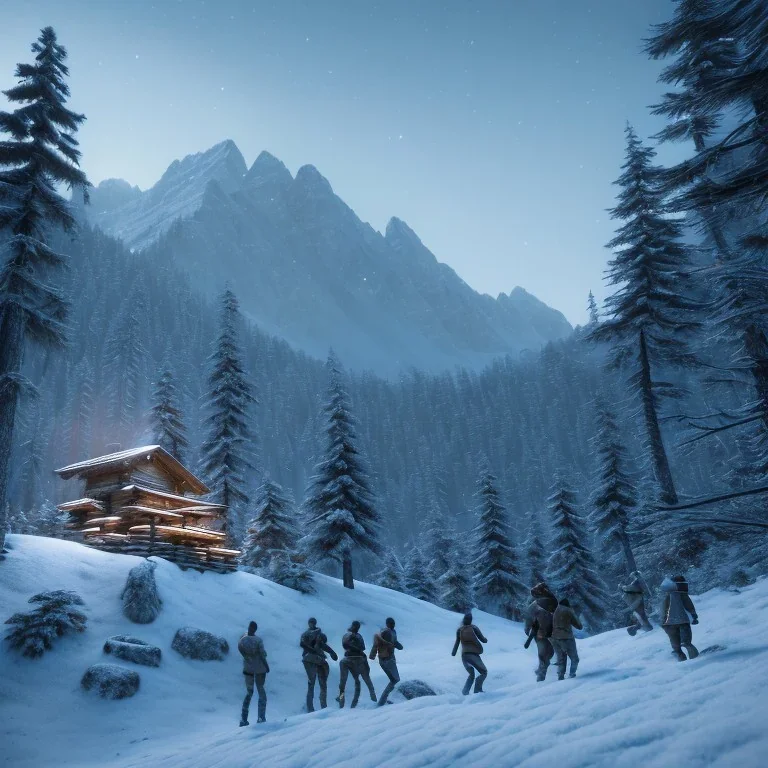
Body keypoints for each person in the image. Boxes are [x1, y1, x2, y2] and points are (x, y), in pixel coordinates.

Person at [300, 617, 338, 712]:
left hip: (317, 660)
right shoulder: (306, 634)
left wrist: (332, 652)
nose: (311, 624)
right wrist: (313, 650)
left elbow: (322, 645)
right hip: (310, 660)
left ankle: (323, 707)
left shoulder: (319, 634)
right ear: (308, 623)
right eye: (310, 622)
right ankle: (310, 708)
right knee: (311, 683)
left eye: (313, 622)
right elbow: (303, 644)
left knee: (322, 683)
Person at [336, 620, 377, 708]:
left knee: (363, 682)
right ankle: (341, 701)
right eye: (355, 626)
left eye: (358, 627)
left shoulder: (358, 636)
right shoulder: (348, 635)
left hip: (358, 660)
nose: (357, 628)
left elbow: (362, 648)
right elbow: (346, 644)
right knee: (343, 684)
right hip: (351, 659)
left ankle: (370, 700)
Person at [660, 575, 699, 661]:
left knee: (675, 644)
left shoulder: (667, 596)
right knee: (686, 641)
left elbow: (663, 610)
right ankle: (695, 658)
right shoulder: (682, 595)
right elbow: (689, 606)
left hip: (669, 624)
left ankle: (680, 657)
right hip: (682, 621)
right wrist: (694, 616)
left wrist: (662, 621)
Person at [524, 582, 558, 682]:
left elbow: (528, 618)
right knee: (546, 653)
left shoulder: (535, 605)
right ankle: (541, 675)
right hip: (545, 632)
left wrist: (527, 628)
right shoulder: (553, 601)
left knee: (546, 653)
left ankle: (541, 672)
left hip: (545, 632)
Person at [238, 620, 269, 726]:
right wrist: (266, 665)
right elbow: (262, 654)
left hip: (248, 668)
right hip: (260, 668)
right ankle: (261, 717)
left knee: (249, 692)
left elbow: (240, 650)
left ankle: (243, 719)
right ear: (255, 629)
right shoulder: (258, 640)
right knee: (261, 691)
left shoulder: (242, 638)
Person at [451, 612, 488, 695]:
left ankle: (465, 691)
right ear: (471, 620)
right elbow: (483, 640)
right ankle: (477, 690)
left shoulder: (459, 630)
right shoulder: (474, 628)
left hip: (464, 656)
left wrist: (453, 653)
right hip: (473, 655)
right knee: (484, 672)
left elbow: (457, 643)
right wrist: (485, 640)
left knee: (471, 674)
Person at [370, 616, 403, 706]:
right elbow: (376, 643)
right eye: (391, 623)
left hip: (390, 658)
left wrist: (398, 645)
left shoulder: (393, 632)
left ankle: (383, 701)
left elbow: (394, 642)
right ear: (387, 624)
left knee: (394, 680)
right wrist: (372, 655)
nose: (393, 625)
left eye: (394, 623)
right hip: (386, 659)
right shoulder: (384, 632)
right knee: (395, 679)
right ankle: (382, 701)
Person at [551, 598, 582, 680]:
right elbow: (579, 626)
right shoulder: (568, 610)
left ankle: (560, 677)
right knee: (575, 659)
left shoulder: (556, 610)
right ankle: (572, 676)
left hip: (555, 638)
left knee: (561, 659)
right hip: (566, 638)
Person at [620, 571, 653, 635]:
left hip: (638, 600)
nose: (633, 577)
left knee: (642, 614)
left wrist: (622, 587)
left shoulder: (638, 581)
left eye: (633, 576)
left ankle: (646, 627)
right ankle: (642, 627)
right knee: (641, 614)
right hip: (638, 600)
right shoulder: (638, 581)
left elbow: (631, 588)